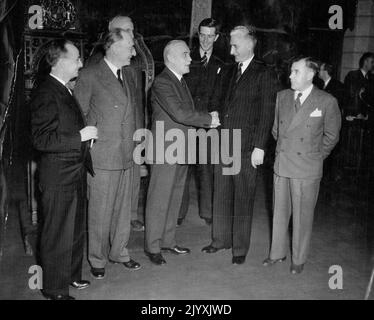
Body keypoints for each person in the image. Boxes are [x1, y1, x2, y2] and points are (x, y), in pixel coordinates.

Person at [202, 25, 278, 265]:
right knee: (222, 193)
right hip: (224, 142)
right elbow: (218, 99)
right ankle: (220, 239)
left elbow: (267, 112)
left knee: (243, 197)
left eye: (235, 45)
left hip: (247, 147)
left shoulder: (264, 73)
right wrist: (214, 111)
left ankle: (240, 248)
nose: (231, 50)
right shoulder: (227, 70)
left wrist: (260, 147)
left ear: (249, 44)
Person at [30, 39, 97, 299]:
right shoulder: (46, 92)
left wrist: (83, 139)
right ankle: (55, 289)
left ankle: (70, 276)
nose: (81, 62)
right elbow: (41, 139)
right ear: (59, 62)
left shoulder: (63, 89)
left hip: (74, 171)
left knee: (75, 228)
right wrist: (79, 137)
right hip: (58, 176)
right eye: (77, 58)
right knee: (57, 232)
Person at [144, 40, 220, 265]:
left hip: (180, 149)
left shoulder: (179, 81)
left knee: (174, 198)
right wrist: (209, 119)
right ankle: (153, 246)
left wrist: (206, 115)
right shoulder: (162, 82)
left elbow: (187, 111)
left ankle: (167, 241)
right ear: (171, 58)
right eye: (185, 55)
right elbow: (180, 113)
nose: (190, 58)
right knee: (159, 200)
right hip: (166, 150)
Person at [263, 56, 341, 274]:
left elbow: (332, 136)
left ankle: (298, 259)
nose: (290, 75)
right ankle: (276, 254)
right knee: (279, 212)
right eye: (291, 71)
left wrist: (315, 157)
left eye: (295, 71)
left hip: (307, 168)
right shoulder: (282, 97)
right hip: (283, 164)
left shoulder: (326, 101)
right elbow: (276, 131)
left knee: (302, 217)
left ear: (310, 74)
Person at [74, 29, 140, 280]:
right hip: (102, 156)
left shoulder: (129, 74)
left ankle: (120, 252)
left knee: (123, 210)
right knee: (100, 211)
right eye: (130, 47)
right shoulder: (90, 75)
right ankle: (97, 258)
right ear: (113, 48)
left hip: (125, 153)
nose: (133, 52)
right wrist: (87, 146)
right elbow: (77, 115)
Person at [86, 15, 146, 232]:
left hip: (131, 135)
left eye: (132, 30)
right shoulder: (94, 64)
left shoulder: (133, 65)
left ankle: (130, 217)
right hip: (108, 145)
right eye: (124, 30)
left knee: (131, 183)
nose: (130, 35)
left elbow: (137, 103)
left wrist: (140, 133)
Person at [177, 18, 225, 227]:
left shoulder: (223, 62)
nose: (205, 40)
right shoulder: (186, 57)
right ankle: (178, 212)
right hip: (187, 122)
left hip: (210, 124)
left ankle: (208, 212)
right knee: (182, 168)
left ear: (216, 37)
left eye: (209, 36)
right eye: (202, 35)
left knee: (207, 169)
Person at [344, 52, 374, 120]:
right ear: (365, 62)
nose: (373, 64)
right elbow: (350, 95)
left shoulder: (371, 78)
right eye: (372, 62)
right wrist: (357, 113)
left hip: (367, 117)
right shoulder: (353, 75)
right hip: (354, 116)